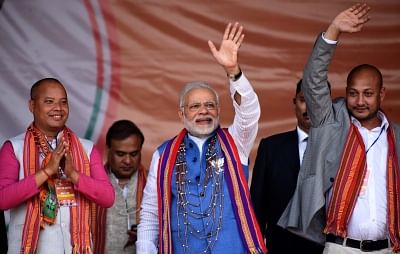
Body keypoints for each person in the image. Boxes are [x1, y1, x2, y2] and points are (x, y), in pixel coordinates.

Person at [278, 3, 400, 253]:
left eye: (368, 94)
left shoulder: (395, 135)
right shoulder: (330, 121)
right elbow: (313, 81)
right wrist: (333, 31)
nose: (360, 101)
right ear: (345, 93)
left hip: (389, 248)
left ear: (382, 94)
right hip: (340, 247)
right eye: (353, 93)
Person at [137, 22, 267, 254]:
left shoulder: (237, 142)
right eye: (195, 106)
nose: (203, 111)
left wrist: (233, 71)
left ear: (218, 110)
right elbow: (150, 215)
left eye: (209, 105)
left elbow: (249, 113)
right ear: (182, 114)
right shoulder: (163, 155)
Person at [0, 78, 115, 253]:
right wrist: (46, 172)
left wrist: (73, 174)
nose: (58, 108)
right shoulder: (14, 147)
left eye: (63, 102)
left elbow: (108, 197)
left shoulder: (86, 148)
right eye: (49, 102)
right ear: (32, 105)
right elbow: (3, 199)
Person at [250, 79, 324, 254]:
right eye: (304, 100)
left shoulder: (342, 149)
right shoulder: (270, 148)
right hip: (280, 249)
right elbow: (257, 208)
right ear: (295, 103)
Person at [94, 120, 148, 254]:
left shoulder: (154, 184)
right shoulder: (93, 184)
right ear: (108, 150)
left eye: (134, 154)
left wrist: (147, 235)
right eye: (120, 154)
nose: (128, 161)